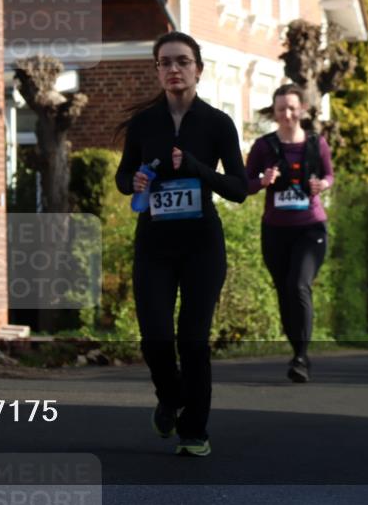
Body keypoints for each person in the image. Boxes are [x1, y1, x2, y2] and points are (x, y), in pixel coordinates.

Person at [115, 30, 247, 457]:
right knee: (154, 338)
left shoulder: (217, 123)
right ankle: (170, 397)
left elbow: (239, 188)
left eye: (182, 61)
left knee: (193, 339)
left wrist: (195, 167)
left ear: (198, 70)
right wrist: (131, 181)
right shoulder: (144, 124)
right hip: (154, 244)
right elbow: (123, 177)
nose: (174, 69)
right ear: (157, 70)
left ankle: (195, 431)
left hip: (201, 246)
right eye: (165, 62)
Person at [245, 84, 334, 383]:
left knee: (299, 285)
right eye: (281, 108)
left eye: (292, 108)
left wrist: (322, 185)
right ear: (274, 111)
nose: (287, 114)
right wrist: (263, 180)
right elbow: (244, 183)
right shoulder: (263, 147)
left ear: (303, 110)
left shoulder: (316, 144)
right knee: (284, 290)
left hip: (310, 227)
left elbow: (329, 175)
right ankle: (298, 352)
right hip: (275, 230)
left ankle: (301, 356)